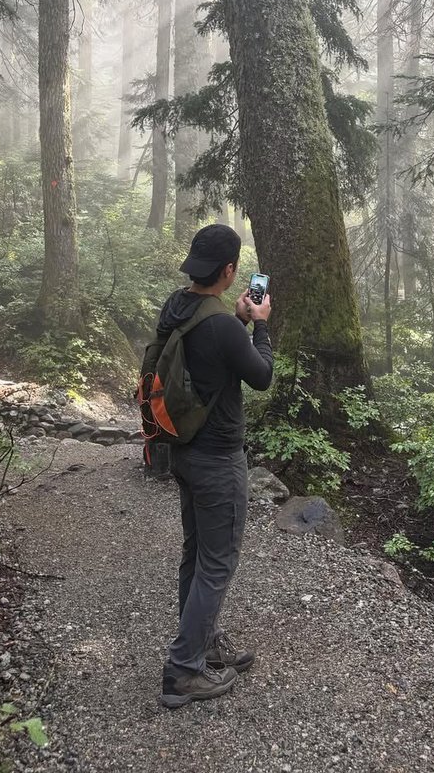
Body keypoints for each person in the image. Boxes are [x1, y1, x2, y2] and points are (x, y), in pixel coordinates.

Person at [157, 223, 273, 710]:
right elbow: (261, 375)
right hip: (217, 458)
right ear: (228, 271)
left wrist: (240, 322)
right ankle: (184, 671)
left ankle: (202, 642)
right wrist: (261, 323)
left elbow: (210, 362)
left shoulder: (177, 308)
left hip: (182, 450)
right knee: (217, 561)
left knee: (196, 552)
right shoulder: (223, 325)